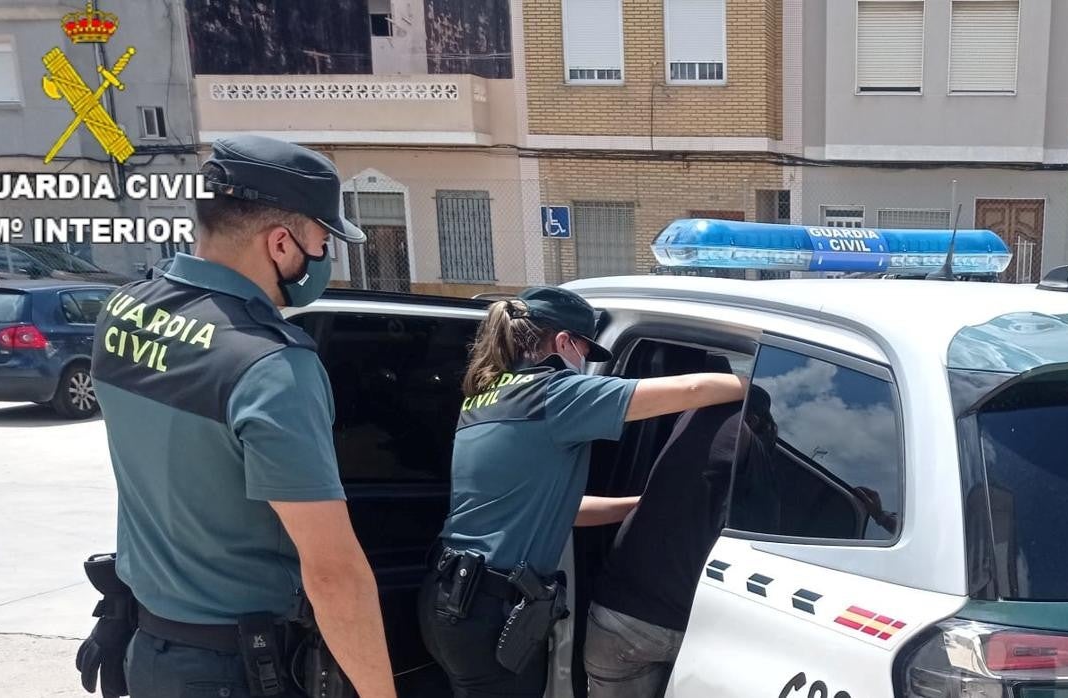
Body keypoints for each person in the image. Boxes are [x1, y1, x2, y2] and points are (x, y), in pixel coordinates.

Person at [85, 135, 397, 698]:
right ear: (281, 243)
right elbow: (332, 573)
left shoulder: (123, 311)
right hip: (235, 669)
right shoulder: (272, 366)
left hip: (148, 647)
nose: (324, 257)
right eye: (323, 240)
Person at [417, 286, 749, 698]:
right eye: (584, 353)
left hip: (450, 602)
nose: (584, 366)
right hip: (488, 611)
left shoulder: (486, 398)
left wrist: (645, 506)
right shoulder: (554, 395)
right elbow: (695, 392)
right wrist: (760, 383)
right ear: (562, 342)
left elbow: (560, 509)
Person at [585, 381, 775, 697]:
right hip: (689, 621)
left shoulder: (687, 421)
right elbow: (764, 531)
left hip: (618, 616)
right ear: (755, 419)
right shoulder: (750, 446)